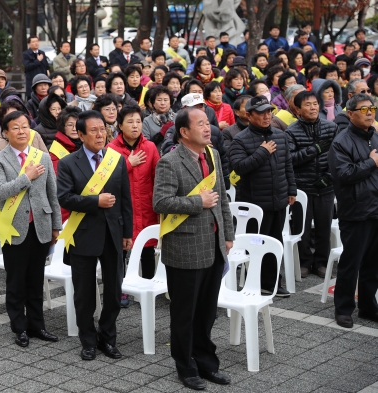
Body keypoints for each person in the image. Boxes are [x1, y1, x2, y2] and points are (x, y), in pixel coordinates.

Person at [152, 106, 234, 390]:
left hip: (213, 245)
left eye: (207, 122)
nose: (207, 127)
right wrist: (198, 202)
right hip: (185, 248)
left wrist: (227, 233)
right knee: (185, 314)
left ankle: (207, 363)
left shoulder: (211, 155)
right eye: (200, 124)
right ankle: (185, 367)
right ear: (184, 132)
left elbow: (221, 197)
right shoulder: (169, 162)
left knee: (207, 311)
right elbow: (160, 202)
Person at [56, 110, 133, 361]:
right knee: (84, 294)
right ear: (80, 134)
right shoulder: (68, 163)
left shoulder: (116, 159)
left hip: (113, 235)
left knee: (113, 291)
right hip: (83, 235)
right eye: (94, 130)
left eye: (103, 129)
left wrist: (128, 233)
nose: (101, 135)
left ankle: (107, 338)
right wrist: (95, 201)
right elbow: (64, 198)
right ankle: (88, 341)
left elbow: (125, 200)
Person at [0, 110, 62, 347]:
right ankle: (19, 327)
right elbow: (0, 191)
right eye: (16, 128)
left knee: (36, 278)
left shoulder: (42, 156)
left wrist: (56, 225)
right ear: (6, 133)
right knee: (16, 280)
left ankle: (37, 325)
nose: (22, 131)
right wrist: (26, 176)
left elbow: (52, 192)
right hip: (13, 228)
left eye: (25, 126)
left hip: (40, 225)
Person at [228, 96, 296, 297]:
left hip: (279, 200)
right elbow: (239, 167)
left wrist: (291, 189)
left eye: (269, 112)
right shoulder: (240, 139)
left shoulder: (280, 135)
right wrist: (262, 152)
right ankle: (256, 283)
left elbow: (287, 165)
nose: (267, 116)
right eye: (262, 113)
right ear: (249, 115)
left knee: (276, 242)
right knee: (257, 245)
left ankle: (274, 283)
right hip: (255, 203)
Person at [328, 93, 378, 328]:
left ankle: (368, 307)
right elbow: (343, 175)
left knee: (373, 263)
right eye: (364, 109)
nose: (369, 113)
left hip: (375, 208)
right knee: (351, 262)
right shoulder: (341, 141)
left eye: (372, 108)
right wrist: (371, 163)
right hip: (356, 210)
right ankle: (344, 308)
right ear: (350, 114)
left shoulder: (375, 136)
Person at [107, 104, 160, 303]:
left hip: (146, 205)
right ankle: (119, 289)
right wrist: (129, 163)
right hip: (123, 208)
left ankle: (147, 289)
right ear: (120, 125)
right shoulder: (111, 149)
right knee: (121, 252)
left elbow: (157, 175)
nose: (135, 125)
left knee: (147, 249)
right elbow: (107, 178)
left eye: (138, 121)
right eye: (130, 121)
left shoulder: (150, 147)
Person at [285, 91, 337, 279]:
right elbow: (289, 160)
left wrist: (329, 177)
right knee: (303, 229)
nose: (313, 107)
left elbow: (339, 157)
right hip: (302, 187)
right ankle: (305, 262)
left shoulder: (331, 128)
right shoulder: (291, 131)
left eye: (315, 104)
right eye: (308, 104)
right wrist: (313, 150)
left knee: (324, 226)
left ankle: (322, 262)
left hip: (326, 186)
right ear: (298, 109)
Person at [49, 108, 83, 220]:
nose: (74, 128)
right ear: (63, 127)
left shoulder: (87, 145)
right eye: (70, 125)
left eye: (77, 124)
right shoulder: (56, 151)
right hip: (65, 210)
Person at [142, 86, 175, 150]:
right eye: (159, 100)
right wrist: (160, 135)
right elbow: (145, 146)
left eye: (165, 100)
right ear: (153, 103)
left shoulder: (178, 118)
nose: (162, 103)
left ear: (170, 102)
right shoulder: (146, 121)